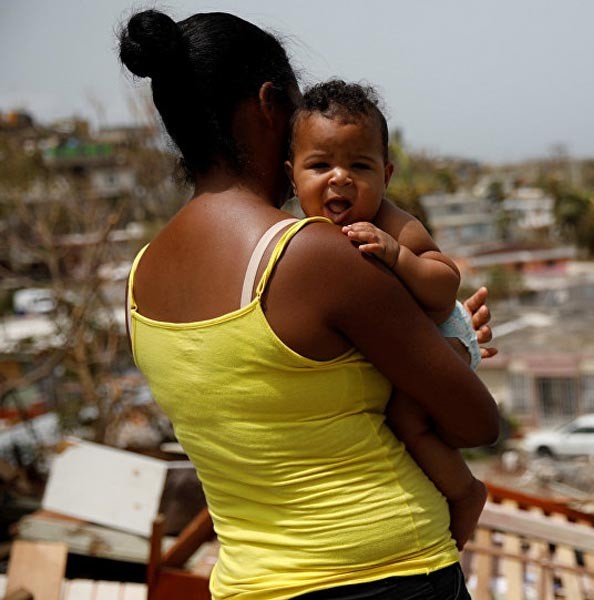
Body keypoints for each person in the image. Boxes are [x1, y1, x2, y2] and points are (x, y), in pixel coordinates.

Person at [118, 9, 498, 600]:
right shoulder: (312, 255)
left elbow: (280, 400)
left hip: (248, 585)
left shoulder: (138, 279)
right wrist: (449, 354)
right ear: (271, 107)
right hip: (386, 576)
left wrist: (430, 333)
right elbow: (477, 422)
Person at [285, 80, 488, 551]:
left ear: (387, 174)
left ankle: (465, 491)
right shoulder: (304, 234)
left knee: (404, 415)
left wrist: (400, 257)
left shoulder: (394, 224)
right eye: (320, 165)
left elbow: (444, 284)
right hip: (409, 343)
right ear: (292, 176)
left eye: (360, 165)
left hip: (446, 337)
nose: (340, 178)